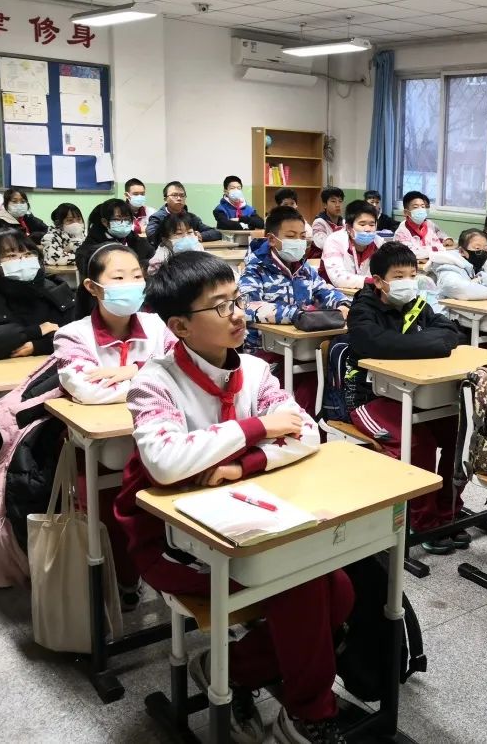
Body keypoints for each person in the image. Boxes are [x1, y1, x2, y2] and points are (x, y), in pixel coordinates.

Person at [113, 252, 350, 744]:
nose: (238, 314)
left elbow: (307, 433)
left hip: (250, 518)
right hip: (172, 539)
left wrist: (245, 464)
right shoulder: (154, 383)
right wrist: (257, 428)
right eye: (220, 307)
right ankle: (309, 713)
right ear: (180, 326)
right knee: (303, 585)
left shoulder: (256, 371)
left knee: (342, 590)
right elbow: (167, 461)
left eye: (237, 300)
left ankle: (234, 668)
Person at [53, 244, 175, 610]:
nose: (131, 284)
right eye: (118, 278)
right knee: (110, 516)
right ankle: (122, 580)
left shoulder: (157, 324)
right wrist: (153, 375)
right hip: (104, 450)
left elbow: (181, 367)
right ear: (93, 287)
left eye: (137, 276)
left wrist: (131, 371)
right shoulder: (72, 335)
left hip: (160, 439)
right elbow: (87, 391)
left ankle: (169, 575)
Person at [347, 242, 464, 551]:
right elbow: (376, 344)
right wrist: (433, 344)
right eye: (399, 276)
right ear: (379, 280)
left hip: (417, 395)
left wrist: (426, 342)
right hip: (368, 399)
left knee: (460, 433)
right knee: (417, 441)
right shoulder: (362, 310)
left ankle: (448, 512)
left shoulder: (417, 304)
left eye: (412, 275)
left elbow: (452, 332)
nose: (408, 282)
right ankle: (422, 522)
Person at [240, 206, 349, 409]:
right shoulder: (255, 269)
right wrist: (296, 314)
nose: (298, 242)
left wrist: (342, 304)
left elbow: (324, 290)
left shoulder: (304, 268)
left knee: (327, 373)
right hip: (264, 350)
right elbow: (249, 307)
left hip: (303, 344)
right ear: (272, 239)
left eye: (302, 236)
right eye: (291, 236)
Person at [0, 227, 74, 362]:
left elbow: (79, 334)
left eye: (28, 254)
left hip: (55, 366)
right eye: (11, 256)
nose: (22, 260)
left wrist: (38, 346)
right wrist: (31, 332)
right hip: (1, 369)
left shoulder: (54, 288)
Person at [76, 198, 155, 281]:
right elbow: (87, 268)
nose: (123, 223)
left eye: (127, 219)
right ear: (105, 222)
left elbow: (151, 261)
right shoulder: (92, 245)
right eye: (117, 219)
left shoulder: (138, 241)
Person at [428, 228, 487, 302]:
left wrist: (481, 279)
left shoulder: (485, 265)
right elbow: (462, 289)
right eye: (477, 248)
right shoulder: (448, 266)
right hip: (452, 313)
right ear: (462, 251)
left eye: (485, 249)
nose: (483, 252)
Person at [320, 199, 382, 291]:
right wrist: (374, 281)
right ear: (349, 228)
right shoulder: (334, 241)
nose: (368, 229)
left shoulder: (379, 243)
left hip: (367, 293)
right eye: (362, 224)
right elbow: (338, 278)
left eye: (372, 225)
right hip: (334, 293)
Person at [145, 181, 221, 244]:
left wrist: (198, 235)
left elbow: (216, 233)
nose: (179, 198)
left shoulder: (191, 217)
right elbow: (152, 235)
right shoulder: (158, 217)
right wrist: (176, 237)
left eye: (182, 195)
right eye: (174, 195)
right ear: (165, 199)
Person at [394, 190, 452, 258]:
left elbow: (439, 243)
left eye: (423, 207)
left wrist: (444, 242)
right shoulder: (401, 232)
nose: (420, 210)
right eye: (415, 207)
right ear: (406, 212)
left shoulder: (429, 227)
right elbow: (412, 253)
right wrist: (437, 249)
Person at [309, 186, 345, 259]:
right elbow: (323, 244)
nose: (338, 205)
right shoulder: (319, 223)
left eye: (340, 201)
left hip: (338, 259)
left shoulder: (344, 223)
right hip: (319, 260)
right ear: (325, 205)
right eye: (333, 201)